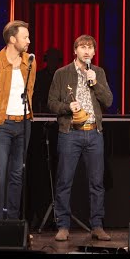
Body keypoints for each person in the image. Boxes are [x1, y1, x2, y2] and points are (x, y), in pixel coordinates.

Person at [48, 34, 113, 241]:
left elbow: (109, 101)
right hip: (70, 133)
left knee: (96, 182)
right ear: (75, 50)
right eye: (82, 47)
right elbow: (51, 103)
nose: (86, 51)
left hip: (94, 133)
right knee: (64, 181)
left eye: (90, 48)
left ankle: (97, 225)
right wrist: (68, 107)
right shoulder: (62, 73)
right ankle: (63, 226)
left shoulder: (98, 73)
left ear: (94, 52)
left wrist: (95, 83)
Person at [0, 20, 36, 220]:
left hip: (24, 123)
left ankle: (13, 219)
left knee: (17, 173)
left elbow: (30, 89)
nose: (29, 41)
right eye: (25, 37)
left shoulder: (30, 61)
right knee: (0, 171)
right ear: (12, 39)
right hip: (2, 124)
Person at [33, 47, 63, 113]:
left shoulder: (63, 77)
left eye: (55, 59)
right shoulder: (39, 76)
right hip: (42, 114)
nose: (53, 62)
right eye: (51, 59)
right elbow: (36, 97)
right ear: (46, 60)